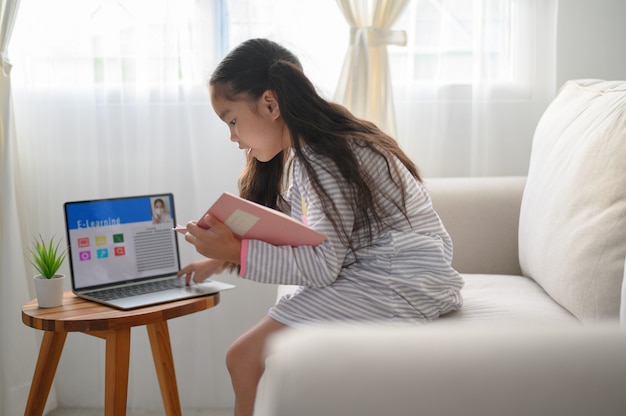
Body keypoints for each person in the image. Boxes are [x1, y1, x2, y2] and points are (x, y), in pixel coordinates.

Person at [177, 38, 464, 416]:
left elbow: (321, 266)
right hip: (401, 273)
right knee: (244, 358)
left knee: (242, 358)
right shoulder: (317, 149)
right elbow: (305, 235)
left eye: (232, 120)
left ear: (270, 103)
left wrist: (233, 251)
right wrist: (219, 260)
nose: (233, 136)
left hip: (398, 281)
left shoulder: (324, 160)